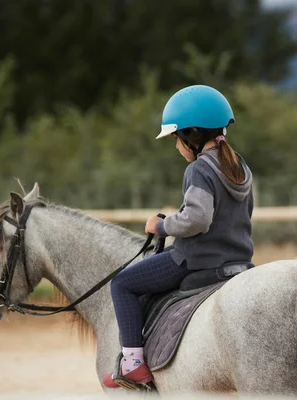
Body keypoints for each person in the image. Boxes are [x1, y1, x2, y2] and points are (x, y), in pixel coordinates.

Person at [102, 85, 254, 389]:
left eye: (175, 138)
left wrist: (159, 226)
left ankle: (132, 363)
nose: (176, 147)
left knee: (123, 284)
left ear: (191, 134)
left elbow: (197, 219)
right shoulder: (238, 165)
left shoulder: (200, 168)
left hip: (195, 261)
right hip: (239, 261)